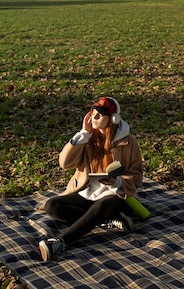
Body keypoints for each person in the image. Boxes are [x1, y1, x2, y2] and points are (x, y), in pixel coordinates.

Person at [38, 97, 143, 262]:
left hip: (117, 194)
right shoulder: (87, 140)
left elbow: (136, 176)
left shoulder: (128, 143)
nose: (93, 118)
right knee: (52, 205)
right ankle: (108, 221)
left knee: (100, 206)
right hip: (88, 191)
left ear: (113, 119)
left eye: (99, 115)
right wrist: (82, 135)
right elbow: (64, 163)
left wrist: (117, 182)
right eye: (92, 114)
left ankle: (59, 242)